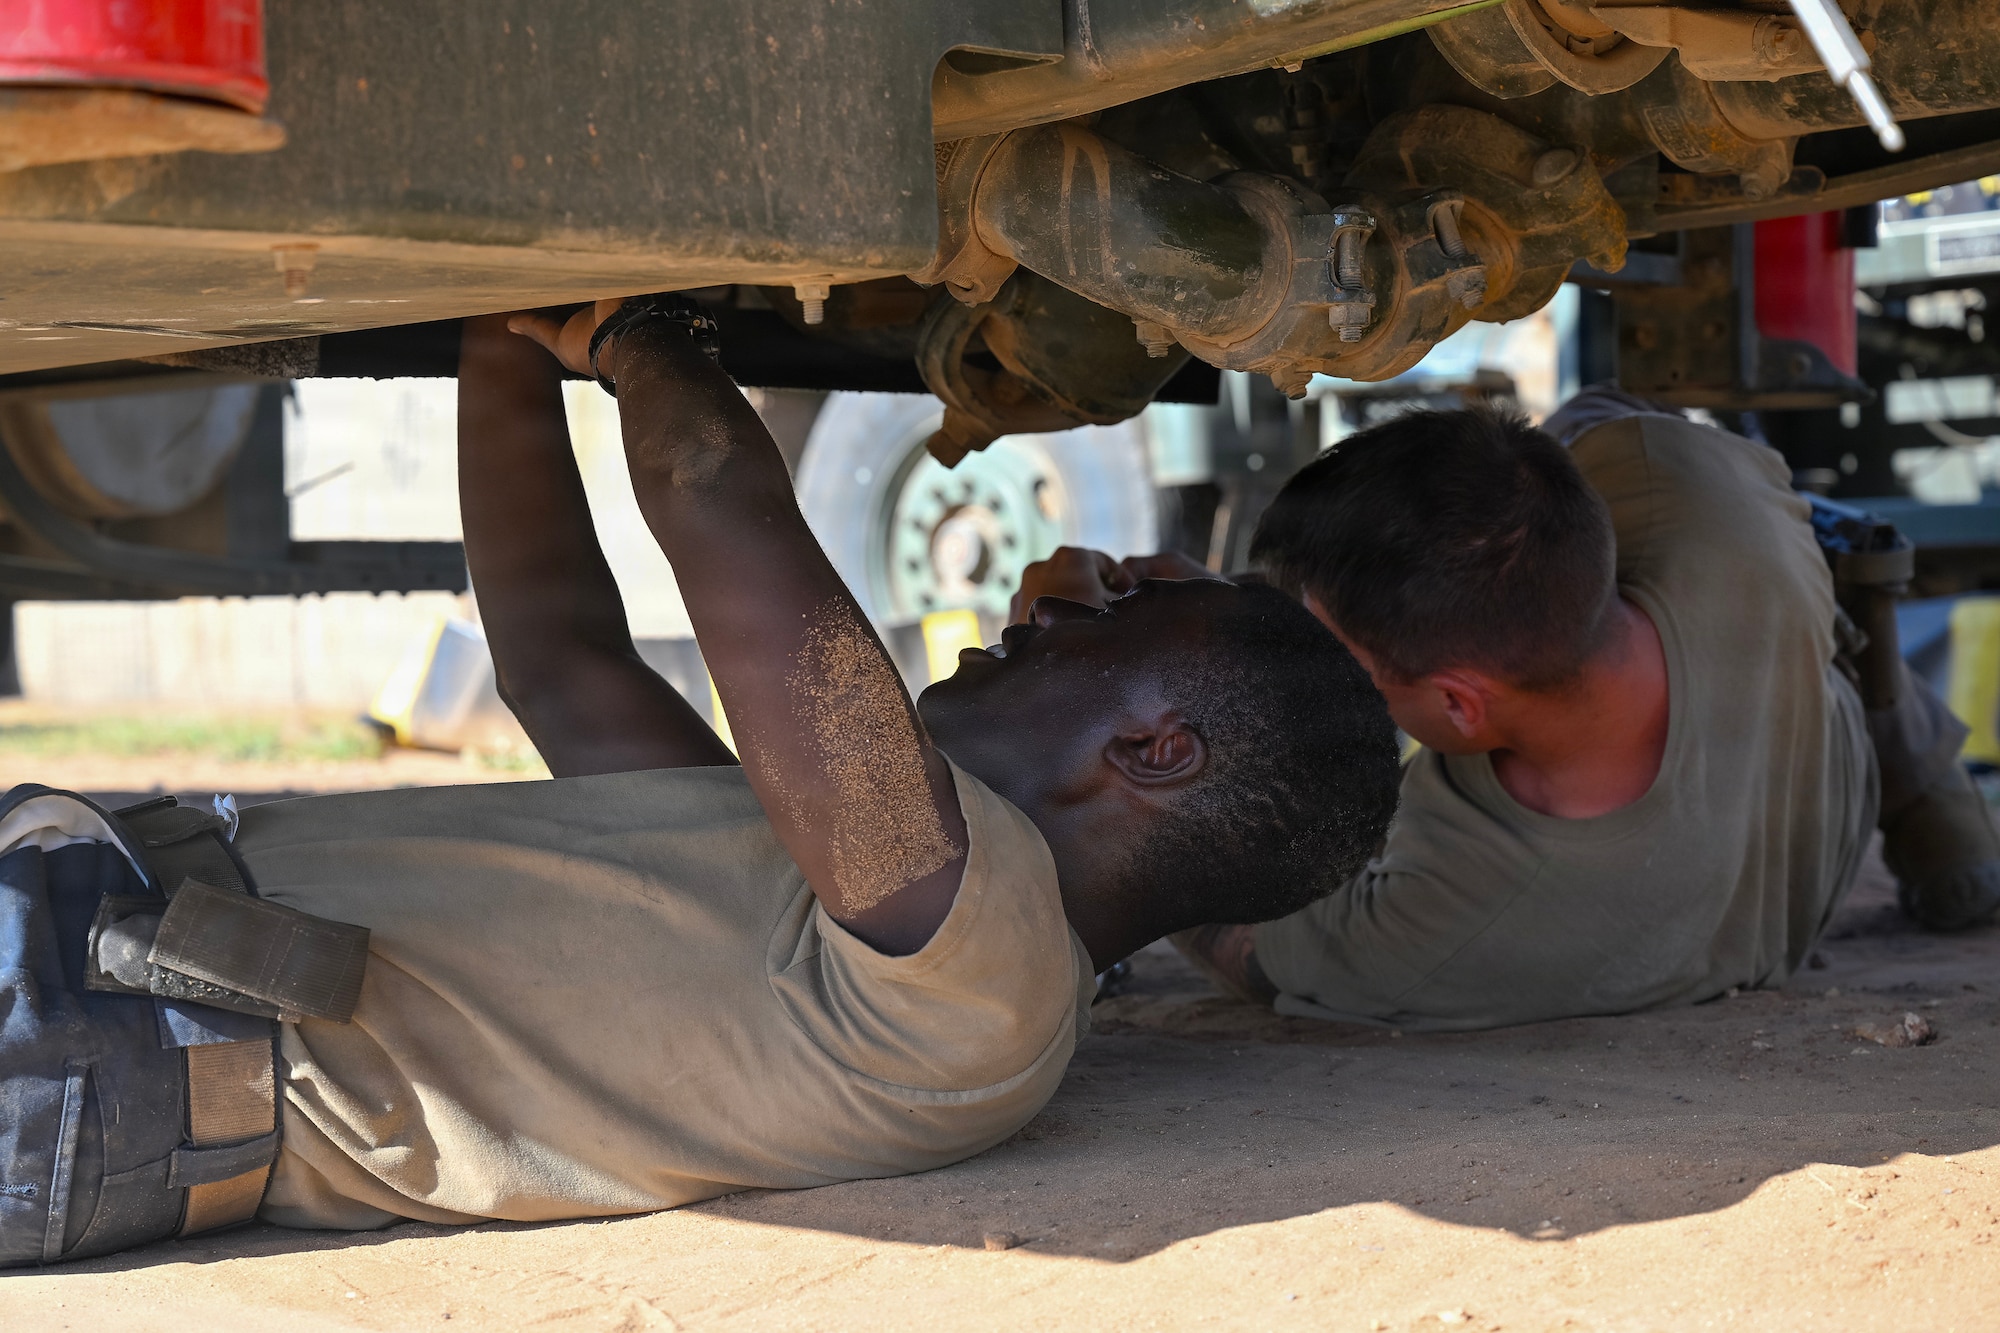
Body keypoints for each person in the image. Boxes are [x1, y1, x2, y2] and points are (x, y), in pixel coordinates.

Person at [0, 298, 1399, 1265]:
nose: (1042, 594)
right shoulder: (856, 917)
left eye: (1109, 617)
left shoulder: (985, 965)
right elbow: (557, 654)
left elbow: (720, 486)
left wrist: (636, 330)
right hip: (93, 972)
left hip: (95, 1037)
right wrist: (511, 331)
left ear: (1156, 754)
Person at [1016, 390, 1999, 1032]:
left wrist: (1133, 707)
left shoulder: (1453, 919)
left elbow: (1254, 949)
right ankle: (1940, 819)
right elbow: (1586, 430)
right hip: (1828, 748)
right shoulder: (1699, 502)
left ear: (1456, 703)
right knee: (1828, 590)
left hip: (1739, 897)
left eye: (1339, 663)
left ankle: (1939, 818)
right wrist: (1218, 607)